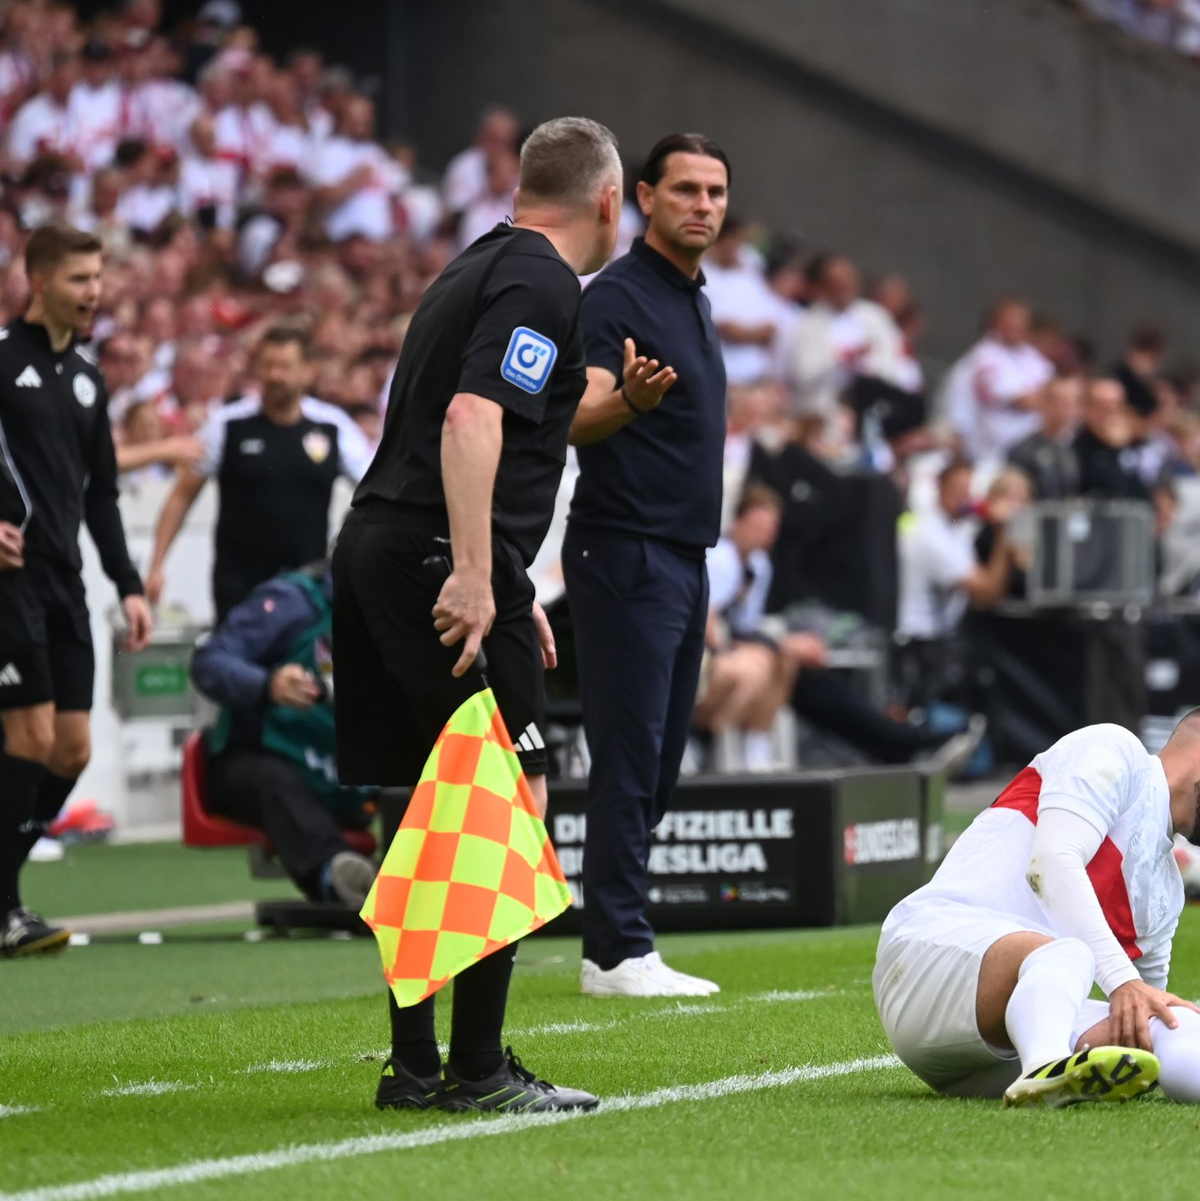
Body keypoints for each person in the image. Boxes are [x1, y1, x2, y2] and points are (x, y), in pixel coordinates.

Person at [333, 116, 623, 1113]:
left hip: (382, 544)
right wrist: (471, 571)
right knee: (508, 795)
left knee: (436, 804)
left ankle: (418, 1065)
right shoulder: (544, 280)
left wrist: (506, 579)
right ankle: (479, 1069)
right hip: (431, 556)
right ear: (609, 200)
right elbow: (470, 419)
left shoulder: (471, 265)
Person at [564, 132, 730, 999]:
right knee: (630, 754)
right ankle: (616, 949)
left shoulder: (692, 297)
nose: (703, 204)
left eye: (715, 192)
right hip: (625, 547)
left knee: (657, 761)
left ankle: (618, 935)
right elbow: (575, 411)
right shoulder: (618, 296)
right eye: (686, 189)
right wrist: (628, 399)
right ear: (644, 197)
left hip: (680, 554)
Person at [874, 716, 1200, 1107]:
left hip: (992, 1051)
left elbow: (1142, 1009)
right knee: (1068, 953)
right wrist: (1122, 980)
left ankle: (1047, 1069)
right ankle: (1045, 1066)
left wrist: (1153, 1014)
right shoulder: (1114, 749)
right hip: (925, 960)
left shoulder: (1167, 891)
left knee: (1173, 1025)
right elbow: (1049, 864)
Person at [0, 223, 153, 957]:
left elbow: (101, 496)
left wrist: (128, 584)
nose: (94, 291)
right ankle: (5, 906)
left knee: (71, 749)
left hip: (66, 579)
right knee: (29, 737)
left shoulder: (90, 379)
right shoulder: (3, 360)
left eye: (97, 277)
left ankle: (5, 894)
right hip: (11, 580)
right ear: (39, 282)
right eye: (78, 279)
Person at [145, 325, 371, 622]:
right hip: (238, 585)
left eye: (285, 366)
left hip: (307, 586)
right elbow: (182, 495)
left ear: (308, 371)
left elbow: (373, 488)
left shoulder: (333, 427)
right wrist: (157, 565)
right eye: (268, 365)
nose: (275, 375)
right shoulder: (227, 425)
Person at [190, 561, 377, 907]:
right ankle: (337, 876)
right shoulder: (293, 602)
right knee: (274, 782)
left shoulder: (414, 614)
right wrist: (268, 684)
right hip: (258, 763)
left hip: (352, 782)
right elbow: (210, 661)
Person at [1007, 375, 1083, 499]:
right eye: (1060, 401)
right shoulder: (1024, 450)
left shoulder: (1084, 445)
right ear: (1043, 403)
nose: (1067, 408)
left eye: (1073, 402)